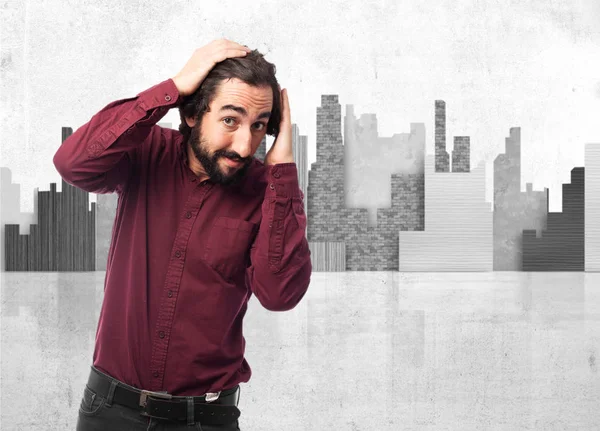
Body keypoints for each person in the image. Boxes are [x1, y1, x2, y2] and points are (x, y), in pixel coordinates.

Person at [53, 38, 312, 430]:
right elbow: (73, 164)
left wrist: (283, 172)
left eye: (259, 126)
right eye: (230, 120)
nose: (245, 145)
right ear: (193, 114)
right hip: (109, 412)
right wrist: (173, 87)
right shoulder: (146, 152)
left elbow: (280, 295)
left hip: (206, 419)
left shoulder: (267, 192)